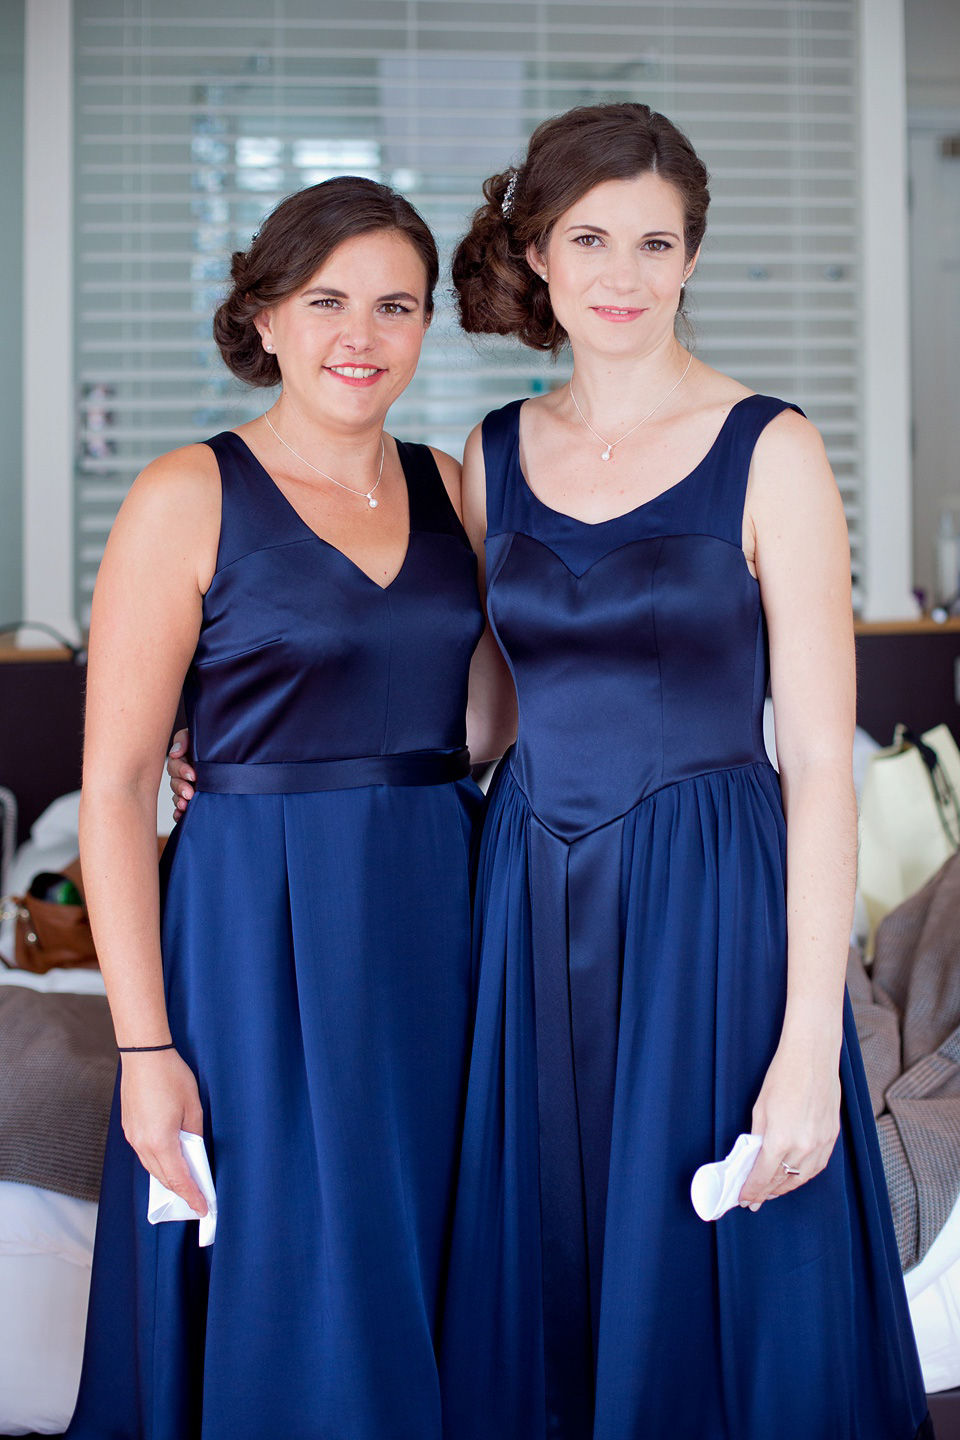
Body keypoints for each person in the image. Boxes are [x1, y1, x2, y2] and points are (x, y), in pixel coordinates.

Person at [436, 103, 934, 1440]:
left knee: (717, 1271)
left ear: (693, 257)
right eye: (589, 237)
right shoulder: (490, 455)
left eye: (656, 242)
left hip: (712, 898)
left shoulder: (770, 448)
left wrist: (802, 1049)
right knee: (542, 1247)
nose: (622, 273)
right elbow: (480, 721)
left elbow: (823, 770)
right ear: (536, 251)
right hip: (527, 886)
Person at [67, 177, 488, 1440]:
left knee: (435, 1238)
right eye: (325, 301)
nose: (360, 335)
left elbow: (487, 726)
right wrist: (145, 1051)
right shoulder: (184, 495)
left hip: (441, 910)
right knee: (291, 1252)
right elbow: (115, 787)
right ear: (263, 315)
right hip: (254, 922)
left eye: (395, 305)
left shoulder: (456, 486)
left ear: (425, 327)